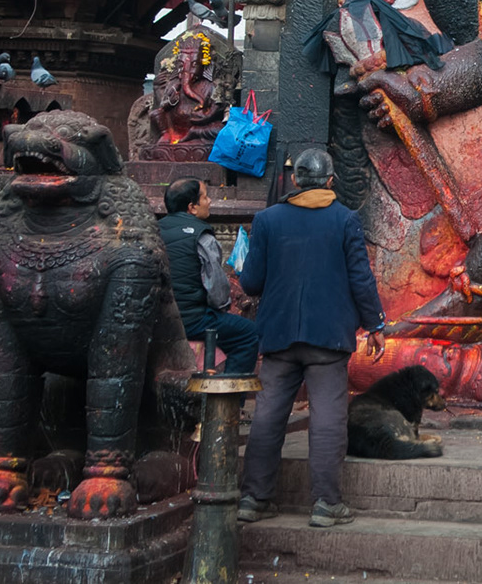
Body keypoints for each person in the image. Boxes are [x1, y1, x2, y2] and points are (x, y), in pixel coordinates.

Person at [237, 149, 385, 530]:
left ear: (296, 181)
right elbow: (361, 279)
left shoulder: (267, 220)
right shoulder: (345, 220)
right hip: (328, 337)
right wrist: (375, 324)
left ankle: (255, 499)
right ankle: (326, 504)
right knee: (328, 417)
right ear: (331, 180)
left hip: (279, 334)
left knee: (268, 415)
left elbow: (251, 282)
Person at [159, 179, 259, 375]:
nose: (210, 201)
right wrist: (221, 308)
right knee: (248, 334)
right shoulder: (202, 236)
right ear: (192, 207)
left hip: (158, 319)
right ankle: (228, 401)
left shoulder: (153, 230)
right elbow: (217, 292)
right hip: (192, 320)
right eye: (205, 197)